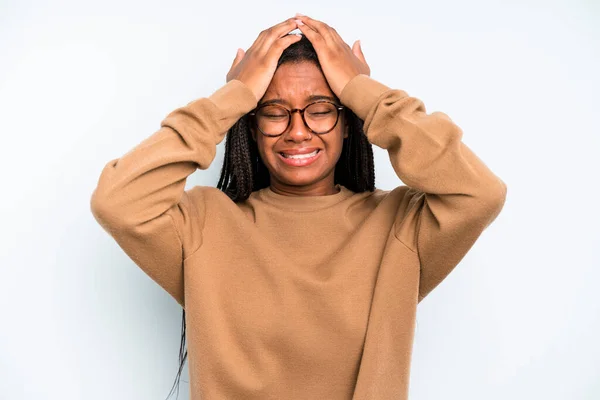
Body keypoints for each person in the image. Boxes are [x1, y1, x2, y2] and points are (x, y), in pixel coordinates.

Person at [90, 14, 507, 400]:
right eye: (274, 112)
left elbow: (478, 194)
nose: (297, 131)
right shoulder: (203, 224)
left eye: (321, 109)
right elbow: (118, 202)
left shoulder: (399, 228)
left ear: (348, 122)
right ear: (252, 126)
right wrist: (231, 98)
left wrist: (367, 94)